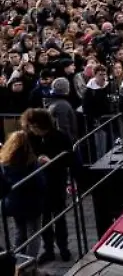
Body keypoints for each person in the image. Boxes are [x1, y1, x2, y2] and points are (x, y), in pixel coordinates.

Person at [21, 109, 75, 262]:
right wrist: (37, 160)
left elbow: (68, 158)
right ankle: (49, 249)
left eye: (33, 126)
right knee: (44, 219)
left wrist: (51, 161)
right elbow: (26, 158)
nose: (31, 129)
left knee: (59, 217)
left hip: (56, 180)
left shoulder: (60, 136)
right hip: (39, 184)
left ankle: (64, 247)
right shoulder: (30, 138)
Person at [0, 130, 45, 259]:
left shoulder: (5, 163)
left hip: (13, 203)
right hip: (32, 204)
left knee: (20, 231)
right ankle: (29, 263)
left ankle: (18, 259)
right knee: (34, 233)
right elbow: (41, 183)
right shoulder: (31, 163)